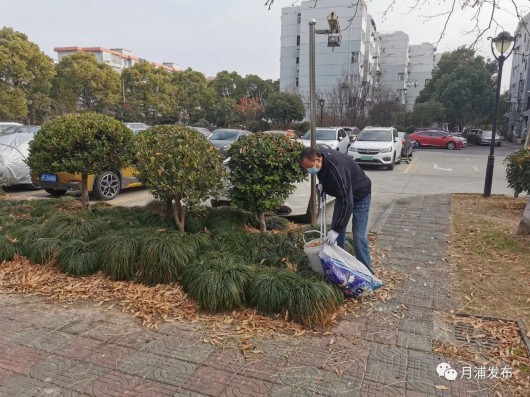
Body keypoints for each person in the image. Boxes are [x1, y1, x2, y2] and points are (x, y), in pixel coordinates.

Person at [299, 146, 373, 273]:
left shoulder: (338, 169)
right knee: (336, 234)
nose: (308, 170)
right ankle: (340, 266)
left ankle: (367, 271)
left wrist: (335, 230)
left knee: (358, 236)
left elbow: (348, 203)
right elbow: (324, 173)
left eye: (309, 167)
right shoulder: (320, 158)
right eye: (305, 168)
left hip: (360, 195)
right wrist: (323, 185)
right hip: (343, 195)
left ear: (318, 160)